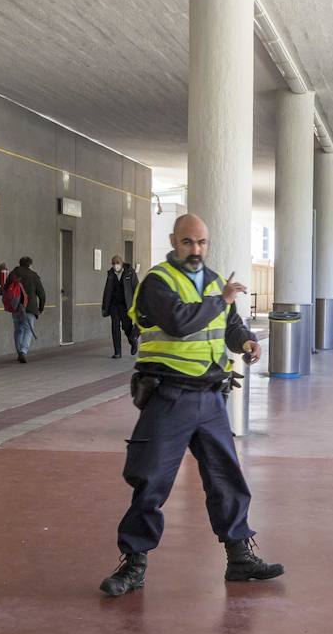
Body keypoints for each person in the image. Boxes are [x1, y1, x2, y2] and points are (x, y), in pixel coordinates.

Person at [100, 213, 283, 597]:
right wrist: (222, 299)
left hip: (211, 396)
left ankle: (239, 557)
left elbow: (229, 325)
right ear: (174, 241)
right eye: (188, 242)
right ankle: (134, 563)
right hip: (168, 396)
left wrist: (247, 341)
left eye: (202, 243)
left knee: (226, 477)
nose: (196, 250)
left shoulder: (216, 282)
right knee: (150, 479)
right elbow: (181, 322)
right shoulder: (158, 282)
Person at [9, 255, 46, 363]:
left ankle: (19, 351)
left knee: (18, 330)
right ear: (30, 264)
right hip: (29, 308)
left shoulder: (13, 274)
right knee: (28, 330)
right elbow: (42, 294)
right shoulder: (33, 275)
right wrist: (41, 308)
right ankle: (23, 351)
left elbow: (6, 288)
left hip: (15, 307)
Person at [101, 255, 139, 359]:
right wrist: (105, 307)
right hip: (114, 305)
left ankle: (133, 342)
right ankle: (117, 352)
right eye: (113, 263)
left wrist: (137, 304)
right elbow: (107, 291)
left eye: (117, 263)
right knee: (115, 328)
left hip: (126, 305)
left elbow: (136, 288)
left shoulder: (130, 272)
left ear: (121, 263)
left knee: (126, 327)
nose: (115, 265)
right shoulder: (110, 274)